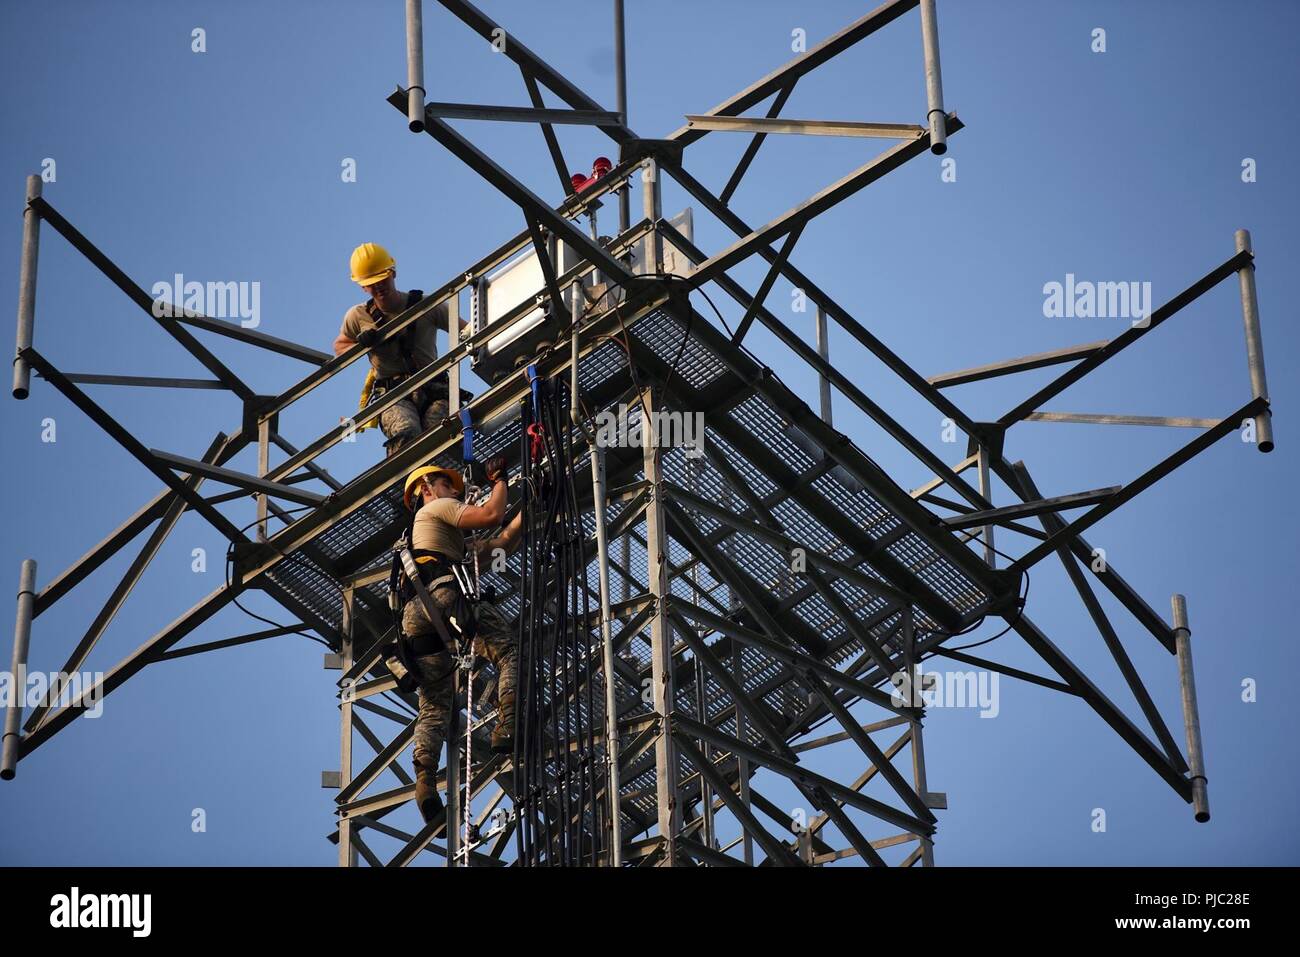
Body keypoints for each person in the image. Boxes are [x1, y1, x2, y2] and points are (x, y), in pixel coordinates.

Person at [399, 461, 523, 824]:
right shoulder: (435, 508)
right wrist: (500, 481)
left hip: (416, 622)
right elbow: (490, 514)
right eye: (448, 485)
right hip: (441, 598)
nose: (457, 492)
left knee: (435, 705)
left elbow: (502, 542)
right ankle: (509, 722)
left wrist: (529, 509)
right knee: (507, 651)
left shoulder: (437, 540)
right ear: (427, 487)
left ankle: (424, 782)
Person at [334, 243, 468, 457]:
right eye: (372, 283)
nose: (379, 286)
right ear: (363, 287)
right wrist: (362, 344)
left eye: (383, 279)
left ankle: (453, 483)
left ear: (393, 273)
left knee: (441, 433)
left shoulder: (424, 305)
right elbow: (340, 346)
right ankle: (413, 485)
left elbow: (466, 329)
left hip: (433, 387)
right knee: (406, 432)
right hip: (393, 394)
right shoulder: (358, 316)